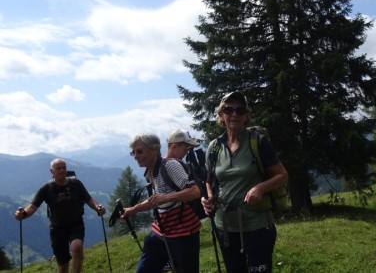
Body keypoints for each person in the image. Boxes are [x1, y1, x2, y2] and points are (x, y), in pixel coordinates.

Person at [201, 91, 289, 273]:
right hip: (224, 226)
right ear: (221, 114)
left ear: (246, 115)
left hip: (257, 224)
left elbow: (282, 175)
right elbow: (209, 180)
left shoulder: (258, 142)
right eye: (228, 109)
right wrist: (208, 198)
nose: (234, 114)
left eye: (240, 110)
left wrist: (260, 188)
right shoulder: (214, 147)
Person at [122, 132, 202, 273]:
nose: (135, 156)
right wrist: (134, 209)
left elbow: (195, 191)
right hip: (161, 230)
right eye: (133, 152)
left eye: (139, 151)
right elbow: (156, 199)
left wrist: (166, 197)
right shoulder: (151, 171)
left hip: (183, 231)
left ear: (155, 149)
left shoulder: (170, 165)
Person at [14, 158, 106, 273]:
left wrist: (98, 208)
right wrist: (23, 214)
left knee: (77, 247)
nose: (62, 170)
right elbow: (33, 206)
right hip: (57, 228)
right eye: (58, 168)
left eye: (64, 167)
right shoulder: (47, 189)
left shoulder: (76, 184)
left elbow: (88, 199)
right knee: (63, 265)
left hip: (76, 224)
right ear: (52, 171)